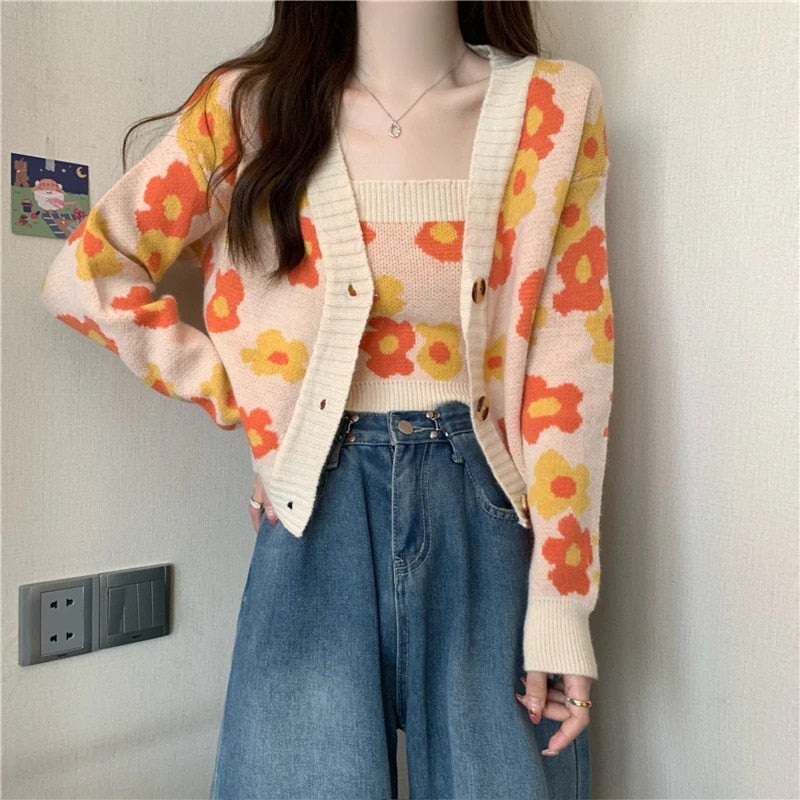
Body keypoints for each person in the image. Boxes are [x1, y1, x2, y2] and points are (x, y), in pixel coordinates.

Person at [40, 1, 613, 797]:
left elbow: (570, 358)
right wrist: (256, 409)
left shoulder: (556, 104)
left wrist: (561, 604)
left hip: (490, 517)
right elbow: (87, 276)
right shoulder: (247, 110)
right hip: (313, 509)